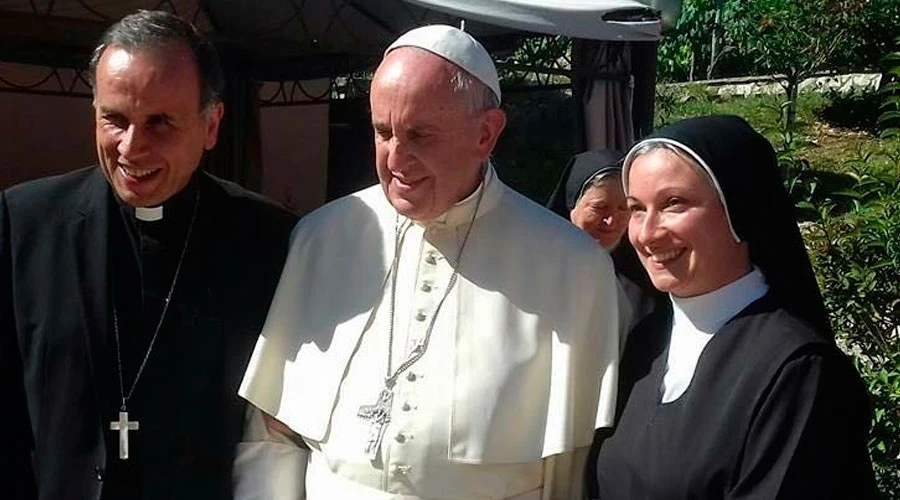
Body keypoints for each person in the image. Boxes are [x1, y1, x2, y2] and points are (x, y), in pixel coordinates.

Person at [235, 24, 620, 500]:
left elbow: (571, 465)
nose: (396, 158)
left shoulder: (572, 266)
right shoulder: (321, 236)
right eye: (382, 131)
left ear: (486, 133)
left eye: (420, 135)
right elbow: (273, 434)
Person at [0, 10, 297, 500]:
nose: (132, 148)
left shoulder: (269, 242)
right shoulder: (25, 224)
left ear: (211, 125)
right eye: (114, 119)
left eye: (160, 122)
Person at [591, 115, 877, 499]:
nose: (647, 233)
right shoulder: (644, 342)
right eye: (637, 208)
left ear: (739, 208)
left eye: (674, 203)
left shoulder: (798, 371)